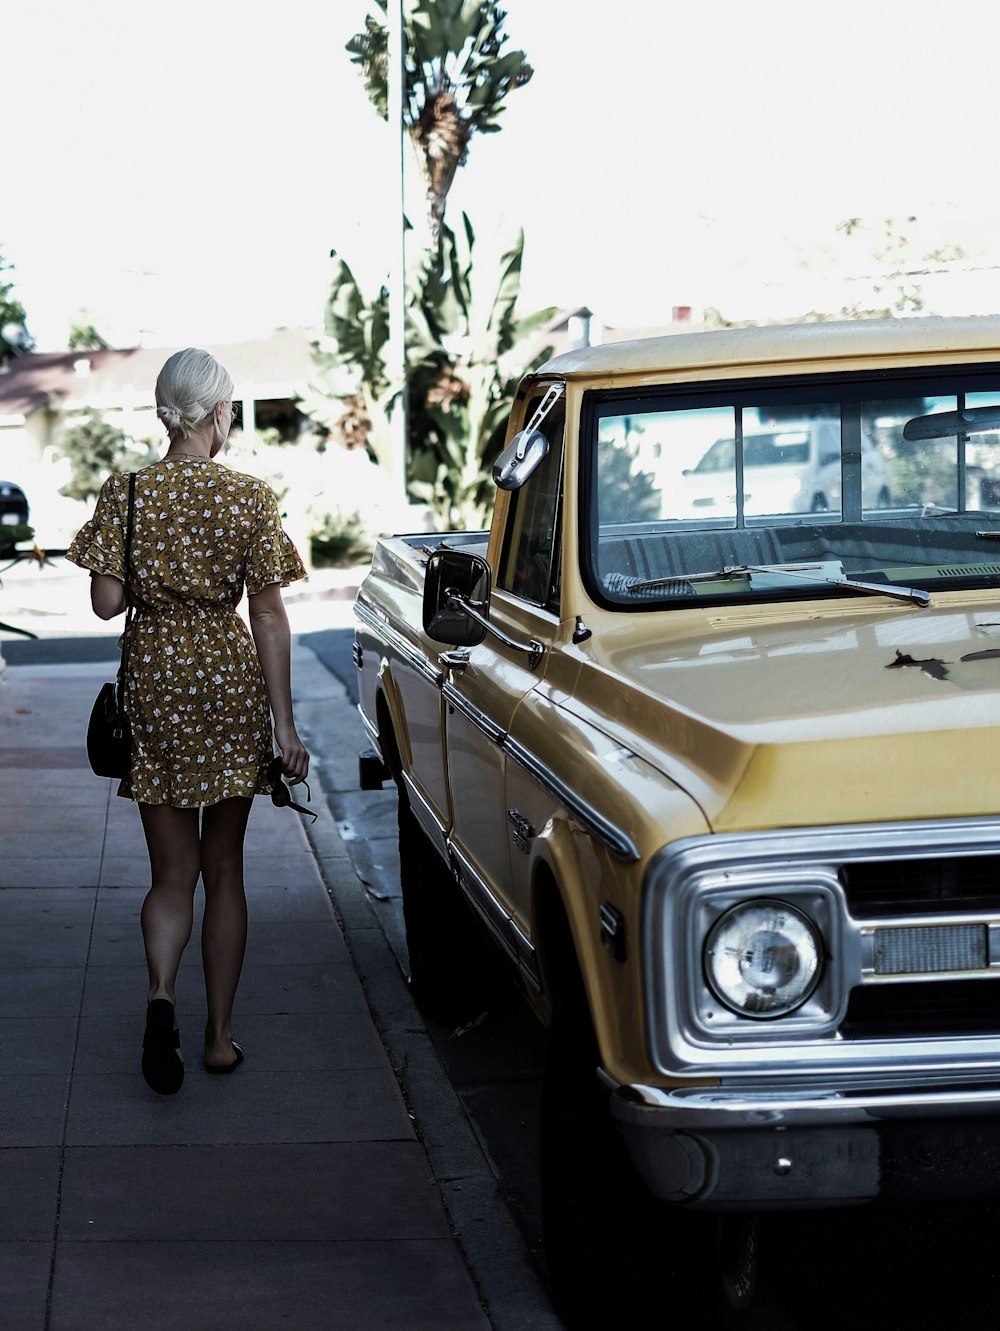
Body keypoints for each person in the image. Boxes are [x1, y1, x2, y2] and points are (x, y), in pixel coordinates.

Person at [66, 347, 309, 1095]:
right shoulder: (249, 497)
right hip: (228, 689)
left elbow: (107, 604)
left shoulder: (128, 492)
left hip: (157, 686)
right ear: (217, 414)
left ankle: (161, 994)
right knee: (223, 869)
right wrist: (285, 727)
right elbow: (267, 615)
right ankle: (219, 1038)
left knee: (170, 875)